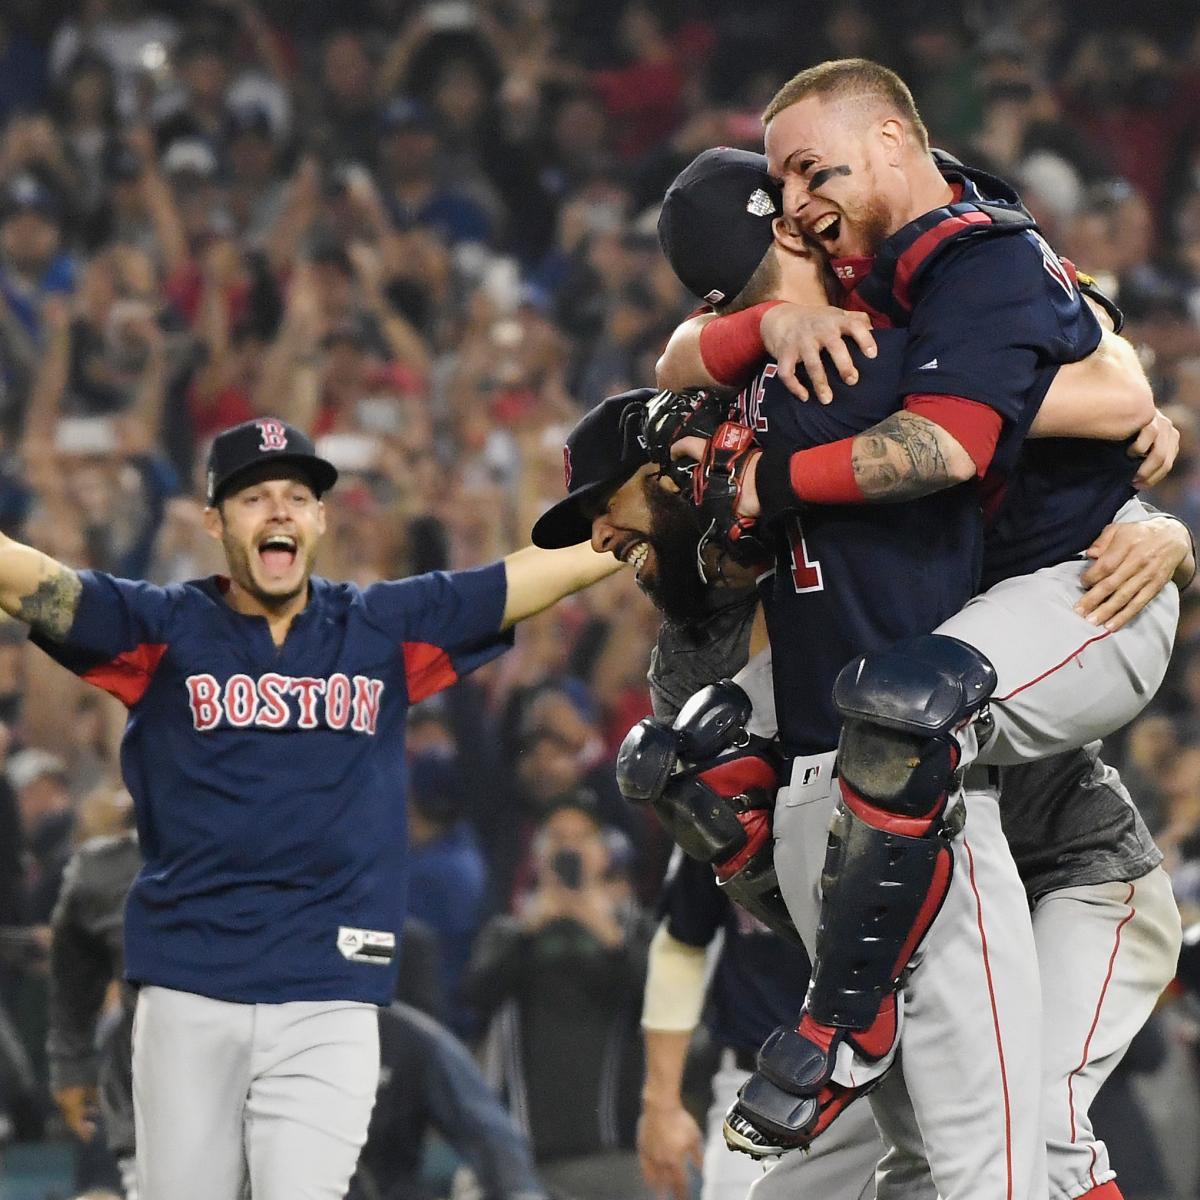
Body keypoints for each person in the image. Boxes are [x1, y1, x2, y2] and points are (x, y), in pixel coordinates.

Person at [648, 79, 1182, 1192]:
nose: (798, 207)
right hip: (941, 779)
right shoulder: (854, 315)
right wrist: (764, 328)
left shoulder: (946, 280)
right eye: (783, 193)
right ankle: (848, 1006)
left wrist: (1157, 525)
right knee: (708, 755)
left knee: (1025, 1145)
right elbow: (678, 359)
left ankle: (844, 1015)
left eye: (810, 177)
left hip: (1066, 754)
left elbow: (1101, 394)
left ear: (891, 143)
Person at [534, 317, 1181, 1200]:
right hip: (900, 936)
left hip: (1070, 872)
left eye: (604, 505)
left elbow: (1034, 497)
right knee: (910, 1172)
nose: (600, 538)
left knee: (1040, 1136)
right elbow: (742, 878)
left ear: (675, 470)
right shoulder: (693, 667)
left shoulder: (863, 521)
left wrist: (1162, 532)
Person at [5, 415, 621, 1200]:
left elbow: (526, 577)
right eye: (253, 496)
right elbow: (31, 581)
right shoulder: (161, 628)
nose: (279, 512)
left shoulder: (380, 628)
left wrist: (646, 521)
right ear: (214, 522)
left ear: (322, 519)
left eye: (298, 496)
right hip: (189, 992)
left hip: (329, 997)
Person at [467, 796, 653, 1200]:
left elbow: (658, 1004)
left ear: (603, 852)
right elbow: (475, 1000)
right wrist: (529, 928)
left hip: (617, 1153)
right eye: (556, 838)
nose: (569, 848)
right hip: (527, 1153)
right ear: (538, 855)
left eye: (581, 837)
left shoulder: (635, 931)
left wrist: (604, 929)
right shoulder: (509, 932)